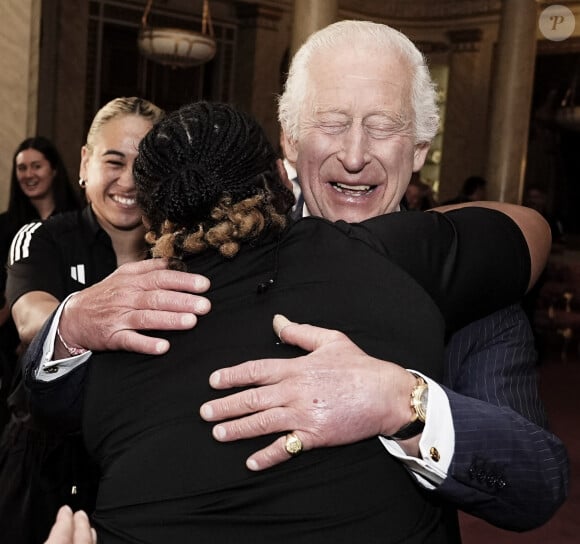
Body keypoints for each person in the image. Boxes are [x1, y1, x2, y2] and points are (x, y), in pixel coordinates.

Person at [22, 20, 567, 535]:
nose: (355, 156)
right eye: (332, 124)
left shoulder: (473, 285)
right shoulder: (203, 259)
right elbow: (57, 408)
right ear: (289, 141)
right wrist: (71, 323)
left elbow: (535, 483)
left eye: (383, 128)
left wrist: (405, 402)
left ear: (420, 149)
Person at [0, 97, 170, 544]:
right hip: (45, 463)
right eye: (115, 161)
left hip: (142, 466)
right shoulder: (43, 238)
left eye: (147, 164)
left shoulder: (184, 255)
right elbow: (32, 318)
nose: (129, 180)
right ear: (84, 162)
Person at [0, 137, 81, 429]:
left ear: (54, 170)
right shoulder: (6, 225)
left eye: (37, 166)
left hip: (66, 356)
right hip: (9, 350)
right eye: (22, 168)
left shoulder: (77, 222)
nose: (29, 174)